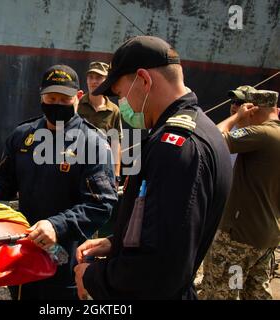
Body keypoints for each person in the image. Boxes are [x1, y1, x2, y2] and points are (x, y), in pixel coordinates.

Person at [73, 35, 232, 300]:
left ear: (144, 81)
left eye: (122, 94)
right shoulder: (203, 128)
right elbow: (166, 232)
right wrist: (118, 243)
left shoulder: (178, 148)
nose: (124, 105)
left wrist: (90, 276)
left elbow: (160, 270)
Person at [0, 64, 117, 300]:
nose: (57, 105)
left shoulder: (93, 144)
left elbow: (101, 203)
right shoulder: (22, 135)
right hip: (24, 248)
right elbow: (5, 177)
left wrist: (57, 226)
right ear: (41, 96)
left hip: (65, 254)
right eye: (51, 98)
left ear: (78, 97)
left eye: (64, 99)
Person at [199, 90, 280, 300]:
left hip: (238, 237)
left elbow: (212, 140)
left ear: (252, 110)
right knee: (255, 293)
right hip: (266, 235)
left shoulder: (262, 134)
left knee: (221, 292)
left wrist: (236, 118)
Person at [78, 61, 123, 186]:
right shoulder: (77, 105)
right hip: (76, 166)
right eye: (90, 77)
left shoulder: (113, 110)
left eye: (98, 78)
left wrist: (116, 175)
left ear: (107, 81)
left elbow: (116, 144)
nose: (93, 81)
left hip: (102, 169)